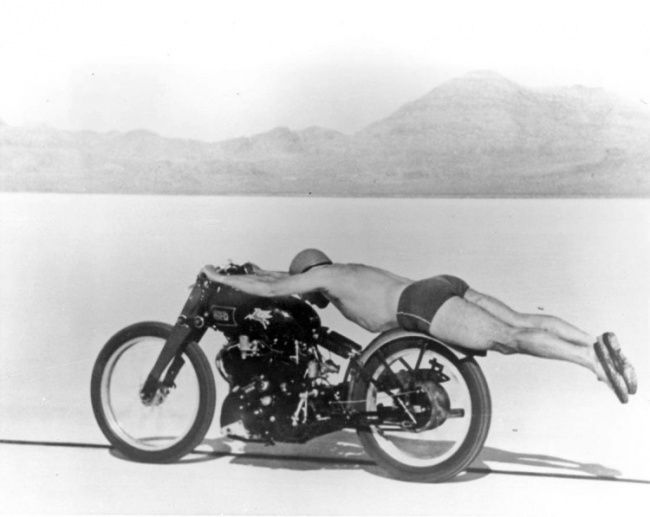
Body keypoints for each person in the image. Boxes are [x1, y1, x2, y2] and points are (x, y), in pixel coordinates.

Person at [202, 248, 637, 403]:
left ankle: (592, 361)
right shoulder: (343, 270)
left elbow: (275, 286)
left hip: (420, 306)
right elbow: (277, 276)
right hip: (438, 285)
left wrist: (220, 278)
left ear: (308, 274)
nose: (306, 295)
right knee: (520, 320)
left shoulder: (322, 279)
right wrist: (251, 270)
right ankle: (592, 340)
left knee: (508, 339)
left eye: (304, 284)